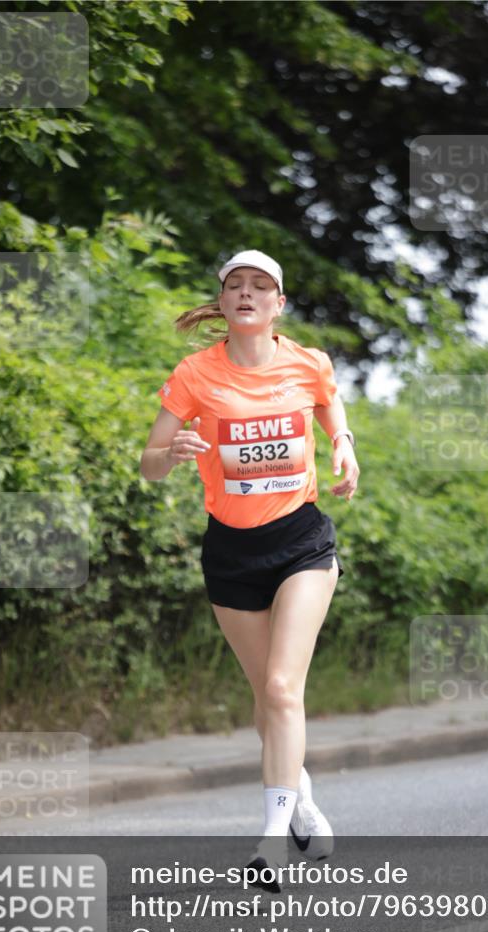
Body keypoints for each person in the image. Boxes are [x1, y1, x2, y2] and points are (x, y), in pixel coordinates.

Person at [141, 250, 359, 892]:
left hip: (302, 544)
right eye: (235, 285)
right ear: (223, 301)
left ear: (278, 304)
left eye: (260, 286)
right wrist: (171, 452)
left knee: (284, 688)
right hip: (232, 552)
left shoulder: (308, 362)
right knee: (267, 698)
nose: (246, 294)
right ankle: (306, 805)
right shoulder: (194, 374)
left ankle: (273, 840)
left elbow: (329, 404)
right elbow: (149, 463)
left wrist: (342, 443)